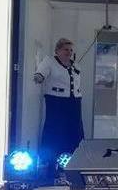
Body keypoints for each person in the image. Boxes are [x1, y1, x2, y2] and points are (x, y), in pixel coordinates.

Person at [33, 38, 84, 168]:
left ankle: (73, 161)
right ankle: (49, 163)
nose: (69, 52)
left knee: (74, 131)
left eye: (71, 50)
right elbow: (40, 74)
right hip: (56, 102)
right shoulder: (49, 62)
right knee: (55, 130)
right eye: (66, 49)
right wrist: (39, 77)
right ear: (57, 50)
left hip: (74, 102)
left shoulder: (75, 65)